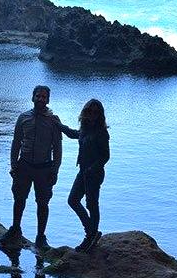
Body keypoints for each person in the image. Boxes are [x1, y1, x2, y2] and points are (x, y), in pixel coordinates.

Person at [0, 85, 62, 250]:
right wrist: (13, 165)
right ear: (32, 97)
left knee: (43, 203)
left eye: (44, 97)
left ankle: (41, 237)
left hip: (44, 168)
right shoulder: (23, 118)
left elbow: (57, 148)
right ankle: (15, 229)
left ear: (48, 100)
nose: (40, 99)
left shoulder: (53, 121)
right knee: (19, 199)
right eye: (38, 96)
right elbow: (16, 143)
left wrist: (55, 170)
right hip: (24, 166)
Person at [59, 99, 110, 252]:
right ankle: (91, 232)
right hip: (83, 172)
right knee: (73, 200)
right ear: (85, 112)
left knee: (92, 204)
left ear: (100, 114)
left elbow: (105, 156)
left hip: (94, 174)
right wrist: (59, 125)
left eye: (96, 112)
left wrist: (92, 169)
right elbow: (75, 134)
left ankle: (90, 236)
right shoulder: (85, 128)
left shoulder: (101, 132)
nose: (92, 114)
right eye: (90, 111)